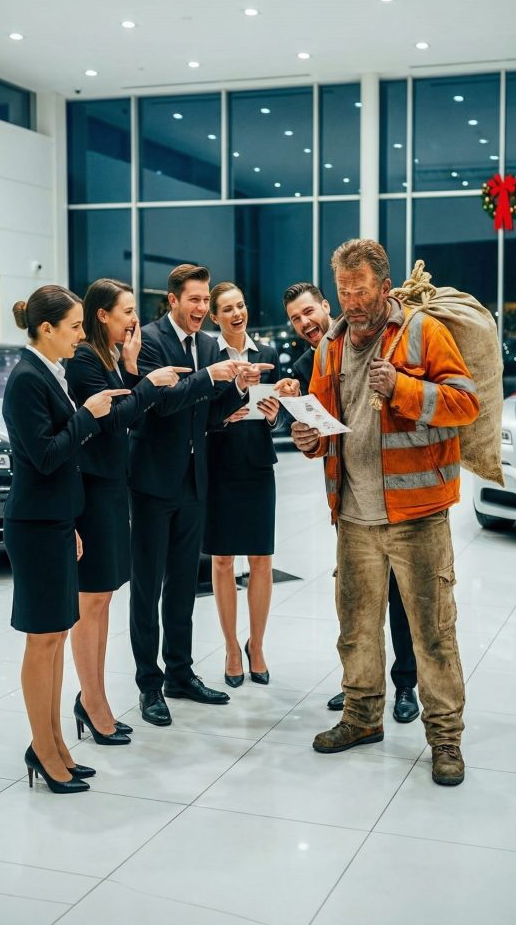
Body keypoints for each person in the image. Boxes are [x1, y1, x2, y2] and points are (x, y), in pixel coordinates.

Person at [291, 240, 479, 787]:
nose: (351, 302)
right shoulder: (330, 346)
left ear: (384, 287)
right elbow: (326, 424)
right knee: (355, 629)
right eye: (343, 291)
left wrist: (402, 387)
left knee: (433, 634)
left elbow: (465, 404)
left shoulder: (423, 332)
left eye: (361, 291)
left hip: (418, 515)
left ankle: (445, 738)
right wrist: (309, 439)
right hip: (353, 516)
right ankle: (361, 717)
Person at [129, 264, 274, 727]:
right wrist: (212, 377)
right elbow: (161, 403)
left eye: (204, 299)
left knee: (182, 586)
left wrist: (240, 390)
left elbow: (210, 414)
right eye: (194, 299)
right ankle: (149, 684)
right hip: (153, 482)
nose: (200, 307)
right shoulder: (151, 341)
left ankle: (179, 673)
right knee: (148, 587)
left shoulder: (208, 346)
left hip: (195, 481)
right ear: (173, 300)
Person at [2, 285, 129, 794]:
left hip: (54, 520)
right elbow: (47, 456)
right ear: (46, 328)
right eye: (75, 326)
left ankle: (54, 743)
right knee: (42, 640)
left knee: (55, 637)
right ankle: (43, 746)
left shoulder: (47, 373)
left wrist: (72, 521)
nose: (81, 335)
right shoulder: (26, 379)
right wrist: (87, 415)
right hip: (34, 526)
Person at [281, 282, 419, 723]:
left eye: (309, 312)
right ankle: (361, 687)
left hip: (396, 492)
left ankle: (405, 685)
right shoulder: (308, 363)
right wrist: (292, 408)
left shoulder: (373, 340)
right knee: (358, 599)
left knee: (401, 595)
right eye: (295, 319)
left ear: (327, 306)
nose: (305, 323)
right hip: (350, 498)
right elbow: (313, 436)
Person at [65, 278, 190, 746]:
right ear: (103, 315)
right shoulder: (84, 361)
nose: (134, 319)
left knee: (103, 599)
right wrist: (148, 381)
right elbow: (114, 419)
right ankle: (92, 700)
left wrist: (134, 369)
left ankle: (94, 698)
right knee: (91, 602)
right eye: (127, 311)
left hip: (113, 488)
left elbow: (132, 415)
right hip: (92, 491)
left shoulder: (110, 358)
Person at [204, 282, 280, 687]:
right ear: (215, 316)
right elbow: (200, 412)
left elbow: (279, 414)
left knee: (261, 560)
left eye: (241, 305)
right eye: (228, 309)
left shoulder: (266, 354)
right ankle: (232, 647)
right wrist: (222, 416)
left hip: (257, 466)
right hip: (219, 467)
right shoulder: (207, 355)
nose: (237, 314)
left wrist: (273, 415)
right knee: (222, 561)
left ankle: (258, 646)